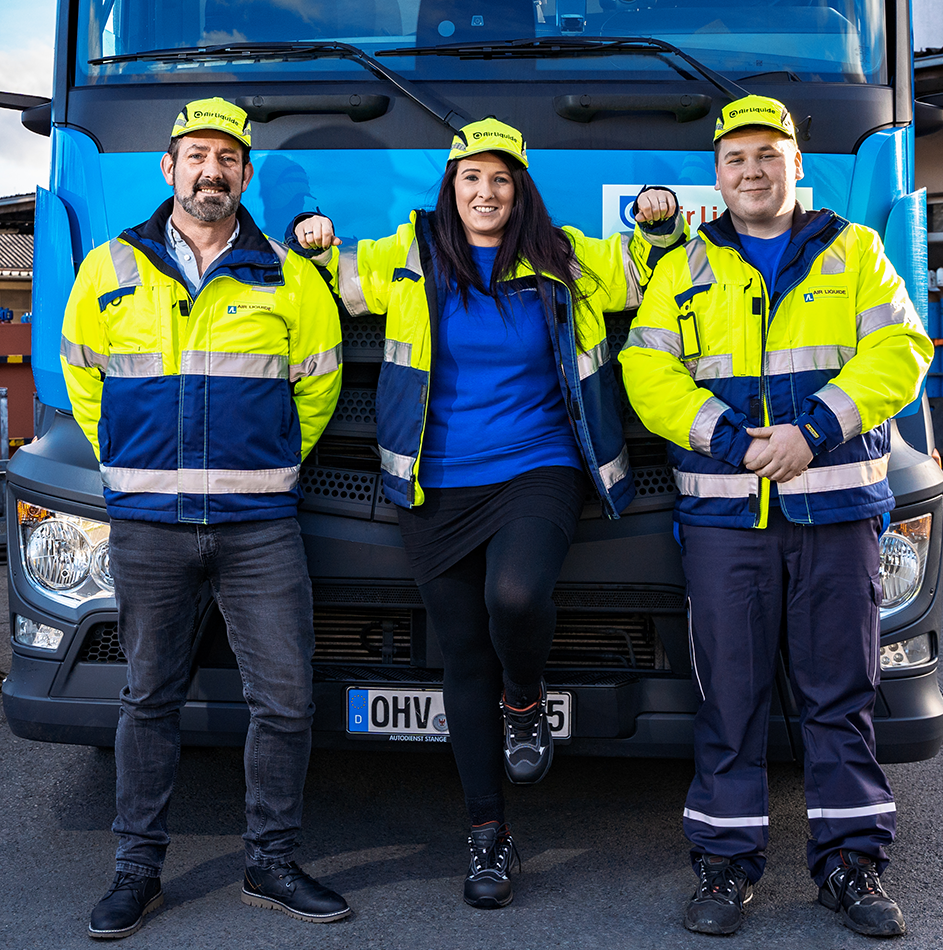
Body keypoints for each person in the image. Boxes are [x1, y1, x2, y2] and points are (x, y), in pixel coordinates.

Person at [289, 117, 685, 908]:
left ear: (519, 189)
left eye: (501, 179)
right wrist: (315, 242)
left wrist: (661, 219)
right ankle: (487, 839)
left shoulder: (564, 255)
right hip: (434, 485)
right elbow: (337, 281)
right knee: (461, 656)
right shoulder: (407, 253)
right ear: (451, 185)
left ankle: (526, 703)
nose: (485, 193)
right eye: (472, 178)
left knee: (515, 597)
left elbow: (640, 275)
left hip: (537, 467)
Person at [619, 95, 933, 938]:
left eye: (767, 155)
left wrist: (813, 429)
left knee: (841, 694)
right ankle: (724, 868)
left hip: (834, 510)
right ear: (716, 176)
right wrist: (729, 439)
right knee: (730, 696)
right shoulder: (684, 266)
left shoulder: (856, 250)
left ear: (798, 164)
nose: (751, 171)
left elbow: (901, 350)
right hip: (727, 522)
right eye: (735, 159)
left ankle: (851, 869)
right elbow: (647, 373)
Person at [60, 97, 349, 939]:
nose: (210, 171)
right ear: (170, 169)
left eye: (226, 157)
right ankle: (135, 870)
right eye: (196, 156)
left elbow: (319, 384)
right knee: (148, 697)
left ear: (245, 174)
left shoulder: (289, 277)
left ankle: (271, 861)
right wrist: (128, 460)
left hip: (258, 524)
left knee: (286, 703)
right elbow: (85, 380)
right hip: (150, 522)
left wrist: (272, 465)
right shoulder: (111, 268)